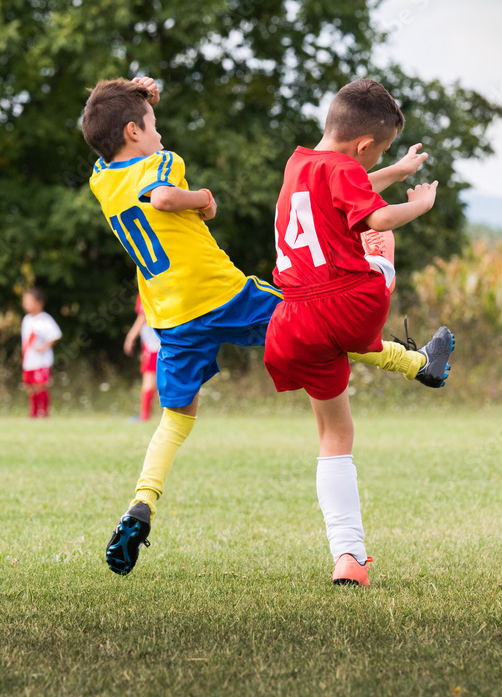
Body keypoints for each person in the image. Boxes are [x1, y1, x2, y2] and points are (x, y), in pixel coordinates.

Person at [84, 77, 438, 576]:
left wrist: (133, 95)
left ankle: (142, 503)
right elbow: (163, 198)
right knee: (322, 325)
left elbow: (109, 138)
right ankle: (415, 364)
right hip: (223, 295)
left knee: (177, 419)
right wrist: (202, 198)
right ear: (134, 133)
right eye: (154, 128)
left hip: (169, 314)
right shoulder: (161, 164)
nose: (161, 136)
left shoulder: (101, 178)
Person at [264, 79, 455, 587]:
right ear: (365, 146)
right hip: (349, 304)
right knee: (375, 237)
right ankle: (391, 294)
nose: (377, 163)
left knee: (334, 434)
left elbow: (347, 181)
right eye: (382, 153)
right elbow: (374, 209)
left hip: (292, 321)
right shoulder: (348, 170)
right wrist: (418, 202)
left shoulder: (299, 163)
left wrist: (395, 169)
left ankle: (349, 556)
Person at [20, 287, 61, 418]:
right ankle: (33, 412)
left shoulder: (44, 319)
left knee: (40, 385)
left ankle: (43, 411)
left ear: (39, 303)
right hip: (28, 359)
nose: (26, 304)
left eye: (29, 301)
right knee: (30, 387)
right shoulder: (26, 319)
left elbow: (56, 334)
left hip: (41, 360)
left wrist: (44, 346)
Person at [123, 294, 159, 422]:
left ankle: (144, 415)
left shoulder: (147, 287)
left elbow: (142, 316)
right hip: (164, 338)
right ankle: (183, 413)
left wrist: (130, 337)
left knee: (149, 375)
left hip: (153, 342)